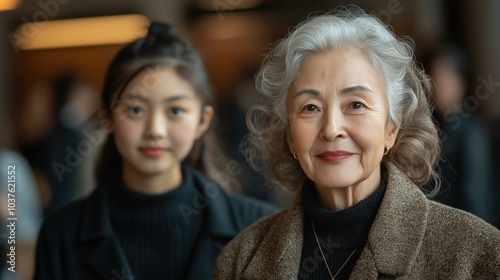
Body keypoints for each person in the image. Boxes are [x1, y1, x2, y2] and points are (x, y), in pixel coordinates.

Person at [215, 6, 500, 279]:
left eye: (355, 104)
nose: (331, 129)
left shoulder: (476, 254)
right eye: (310, 108)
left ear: (392, 126)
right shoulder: (240, 259)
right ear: (289, 134)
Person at [34, 22, 277, 280]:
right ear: (106, 116)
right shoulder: (61, 235)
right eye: (136, 110)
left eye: (175, 111)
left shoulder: (258, 229)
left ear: (202, 121)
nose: (155, 131)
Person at [422, 44, 496, 226]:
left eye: (445, 79)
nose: (438, 86)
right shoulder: (430, 127)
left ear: (461, 82)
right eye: (433, 79)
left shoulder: (472, 132)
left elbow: (476, 195)